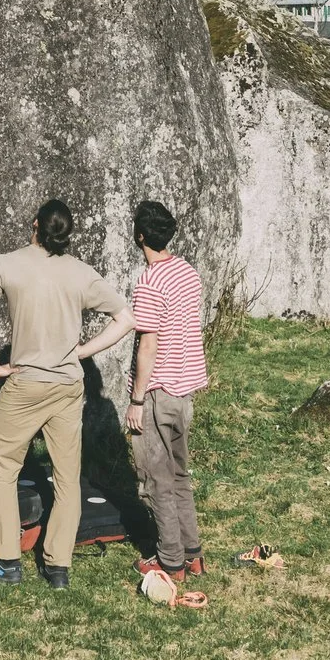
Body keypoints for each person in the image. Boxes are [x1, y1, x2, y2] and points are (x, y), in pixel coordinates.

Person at [0, 199, 132, 590]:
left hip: (24, 383)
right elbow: (126, 318)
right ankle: (58, 568)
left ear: (34, 225)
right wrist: (83, 350)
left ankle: (6, 562)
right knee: (67, 476)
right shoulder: (81, 273)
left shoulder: (6, 264)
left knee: (3, 467)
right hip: (68, 385)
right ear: (67, 233)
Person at [124, 200, 209, 597]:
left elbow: (147, 345)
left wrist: (136, 400)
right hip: (186, 391)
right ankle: (193, 552)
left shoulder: (149, 282)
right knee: (179, 475)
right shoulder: (187, 273)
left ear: (140, 235)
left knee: (156, 480)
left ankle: (170, 560)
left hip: (157, 393)